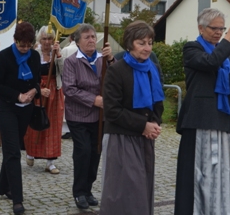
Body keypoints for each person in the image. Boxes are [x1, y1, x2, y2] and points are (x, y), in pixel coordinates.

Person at [174, 8, 230, 215]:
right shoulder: (192, 48)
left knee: (223, 172)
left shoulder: (225, 57)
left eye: (222, 29)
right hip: (200, 120)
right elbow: (210, 62)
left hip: (223, 119)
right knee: (198, 173)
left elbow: (229, 87)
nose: (219, 33)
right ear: (201, 28)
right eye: (215, 28)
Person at [100, 21, 164, 215]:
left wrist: (155, 123)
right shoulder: (117, 70)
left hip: (144, 138)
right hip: (121, 138)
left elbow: (158, 101)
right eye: (141, 43)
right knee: (125, 191)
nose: (147, 48)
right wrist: (143, 125)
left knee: (143, 189)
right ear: (129, 44)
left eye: (150, 43)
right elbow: (112, 110)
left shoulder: (153, 68)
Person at [0, 22, 41, 215]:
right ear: (15, 40)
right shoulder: (4, 57)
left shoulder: (34, 56)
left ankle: (3, 185)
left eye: (28, 45)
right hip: (7, 108)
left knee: (13, 148)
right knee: (13, 153)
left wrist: (34, 91)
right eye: (21, 45)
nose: (25, 48)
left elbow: (37, 80)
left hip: (26, 110)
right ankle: (17, 199)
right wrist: (17, 96)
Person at [61, 23, 115, 210]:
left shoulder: (103, 59)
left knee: (95, 152)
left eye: (93, 37)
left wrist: (111, 60)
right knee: (83, 151)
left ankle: (88, 189)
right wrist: (93, 100)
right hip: (79, 115)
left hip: (99, 117)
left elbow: (117, 77)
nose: (91, 40)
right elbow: (70, 89)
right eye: (87, 37)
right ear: (78, 42)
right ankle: (79, 191)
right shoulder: (72, 62)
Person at [24, 26, 64, 174]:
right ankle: (31, 152)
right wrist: (39, 90)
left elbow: (64, 72)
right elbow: (29, 75)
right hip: (38, 90)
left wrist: (58, 55)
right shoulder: (34, 54)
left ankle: (50, 162)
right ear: (40, 40)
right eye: (44, 39)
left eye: (50, 39)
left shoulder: (57, 52)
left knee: (53, 125)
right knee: (35, 122)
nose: (47, 42)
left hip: (55, 91)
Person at [59, 33, 79, 140]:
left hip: (68, 79)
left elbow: (61, 66)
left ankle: (67, 129)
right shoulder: (82, 49)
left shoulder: (66, 49)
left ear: (70, 38)